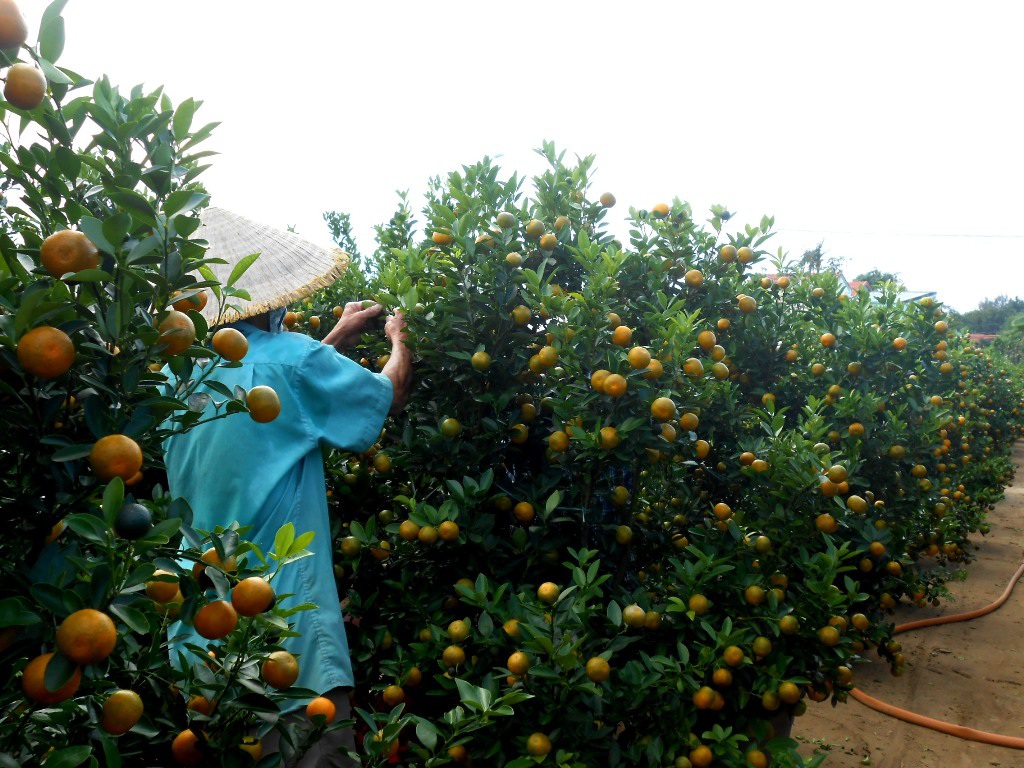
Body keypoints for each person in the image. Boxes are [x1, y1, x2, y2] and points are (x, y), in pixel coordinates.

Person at [163, 208, 412, 767]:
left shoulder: (176, 379)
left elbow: (272, 404)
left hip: (203, 636)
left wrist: (340, 334)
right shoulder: (294, 359)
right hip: (287, 640)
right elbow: (386, 395)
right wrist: (398, 339)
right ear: (272, 299)